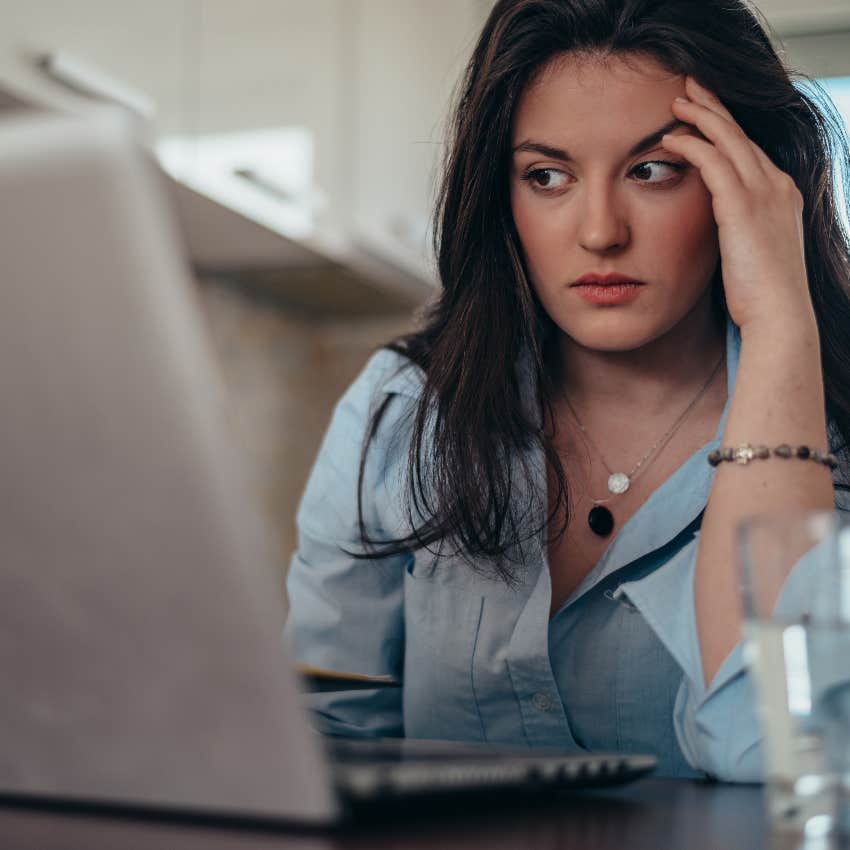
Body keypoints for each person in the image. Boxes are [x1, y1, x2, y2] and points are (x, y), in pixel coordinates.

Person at [284, 0, 850, 780]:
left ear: (752, 182)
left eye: (654, 171)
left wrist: (783, 322)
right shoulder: (402, 408)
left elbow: (790, 764)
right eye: (547, 176)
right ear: (501, 196)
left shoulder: (833, 439)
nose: (598, 231)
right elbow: (319, 745)